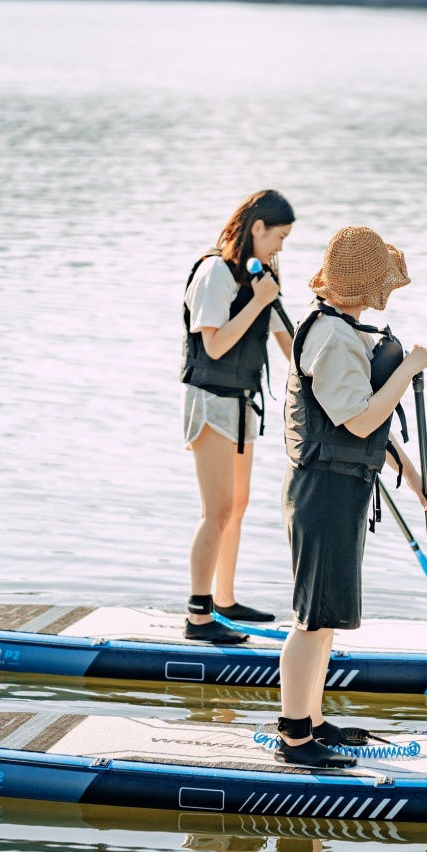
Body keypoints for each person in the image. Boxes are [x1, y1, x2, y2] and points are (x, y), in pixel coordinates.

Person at [275, 226, 427, 767]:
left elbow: (373, 430)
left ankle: (314, 721)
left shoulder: (344, 330)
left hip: (341, 488)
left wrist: (413, 480)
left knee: (326, 617)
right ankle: (294, 737)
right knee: (312, 618)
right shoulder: (332, 336)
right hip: (322, 490)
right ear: (365, 288)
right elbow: (361, 416)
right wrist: (408, 368)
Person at [180, 190, 296, 644]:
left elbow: (287, 341)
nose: (281, 248)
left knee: (238, 506)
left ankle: (224, 599)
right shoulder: (214, 273)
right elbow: (213, 345)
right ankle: (198, 615)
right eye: (279, 237)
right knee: (217, 510)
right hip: (210, 401)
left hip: (244, 401)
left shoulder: (262, 276)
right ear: (257, 228)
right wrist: (258, 299)